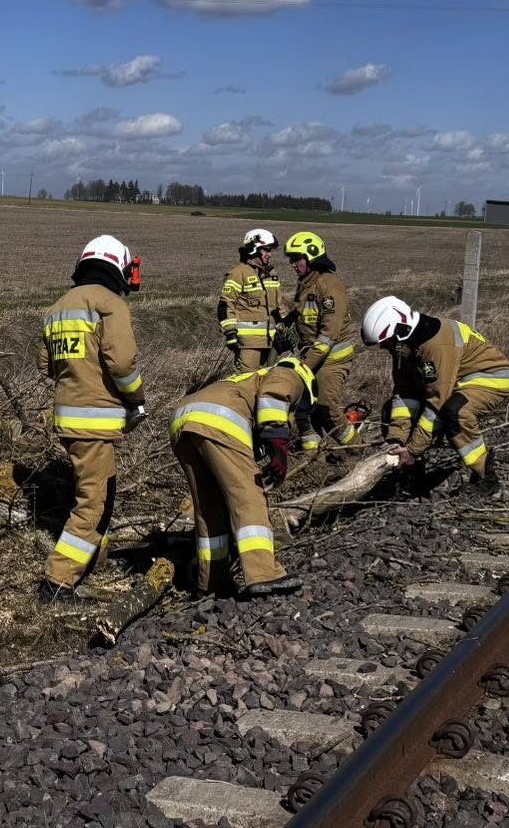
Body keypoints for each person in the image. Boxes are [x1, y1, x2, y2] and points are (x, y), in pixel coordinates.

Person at [36, 235, 144, 600]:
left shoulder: (56, 308)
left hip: (67, 418)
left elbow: (45, 366)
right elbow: (123, 364)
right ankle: (57, 583)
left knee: (97, 491)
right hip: (96, 422)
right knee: (94, 503)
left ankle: (96, 563)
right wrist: (136, 398)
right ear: (118, 268)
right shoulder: (110, 305)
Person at [169, 356, 314, 598]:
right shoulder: (292, 372)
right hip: (219, 418)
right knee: (248, 495)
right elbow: (274, 396)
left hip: (182, 419)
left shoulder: (247, 382)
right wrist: (279, 447)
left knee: (209, 506)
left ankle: (212, 580)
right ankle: (263, 573)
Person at [361, 297, 509, 492]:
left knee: (455, 412)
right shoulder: (403, 347)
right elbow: (404, 393)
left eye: (385, 343)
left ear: (401, 331)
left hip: (491, 378)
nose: (383, 348)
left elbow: (437, 404)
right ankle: (409, 473)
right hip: (454, 381)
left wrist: (413, 449)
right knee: (390, 409)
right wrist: (396, 438)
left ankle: (485, 477)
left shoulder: (437, 346)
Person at [282, 232, 359, 452]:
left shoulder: (329, 286)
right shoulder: (306, 283)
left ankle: (356, 449)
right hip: (313, 355)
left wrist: (304, 367)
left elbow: (328, 335)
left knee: (326, 406)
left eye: (297, 259)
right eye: (291, 259)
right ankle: (313, 455)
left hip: (332, 359)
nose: (293, 264)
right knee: (303, 407)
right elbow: (303, 314)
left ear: (312, 257)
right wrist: (285, 327)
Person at [217, 228, 283, 368]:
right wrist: (230, 333)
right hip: (248, 344)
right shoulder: (238, 274)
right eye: (266, 250)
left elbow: (279, 306)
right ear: (255, 249)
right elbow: (226, 305)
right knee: (247, 379)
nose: (270, 255)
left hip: (271, 343)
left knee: (269, 379)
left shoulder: (272, 274)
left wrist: (283, 326)